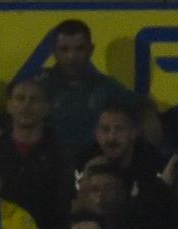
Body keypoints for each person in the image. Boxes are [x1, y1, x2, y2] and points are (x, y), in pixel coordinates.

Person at [78, 105, 178, 229]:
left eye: (119, 129)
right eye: (105, 129)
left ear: (134, 133)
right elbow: (76, 216)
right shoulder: (85, 163)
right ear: (96, 134)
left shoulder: (154, 165)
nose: (111, 137)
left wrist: (160, 188)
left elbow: (156, 220)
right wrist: (85, 186)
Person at [0, 79, 75, 229]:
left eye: (34, 100)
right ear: (9, 106)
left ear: (47, 107)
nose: (26, 105)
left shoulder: (61, 153)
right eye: (20, 99)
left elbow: (65, 203)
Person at [37, 19, 129, 155]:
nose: (72, 57)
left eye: (79, 49)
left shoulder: (106, 87)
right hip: (48, 163)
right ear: (54, 52)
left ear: (91, 50)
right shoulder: (38, 85)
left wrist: (147, 114)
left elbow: (140, 106)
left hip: (96, 164)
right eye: (64, 49)